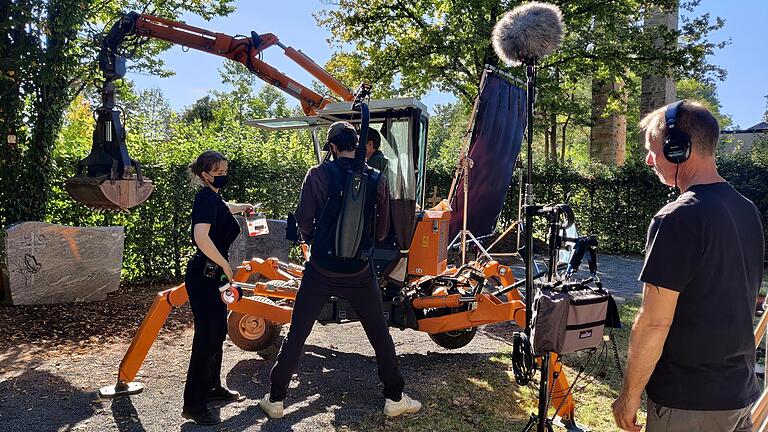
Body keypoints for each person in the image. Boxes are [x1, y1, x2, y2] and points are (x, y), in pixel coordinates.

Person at [612, 101, 764, 432]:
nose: (649, 160)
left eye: (654, 149)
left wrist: (629, 395)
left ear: (679, 148)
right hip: (739, 396)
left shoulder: (677, 218)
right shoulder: (747, 210)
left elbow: (653, 322)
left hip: (688, 404)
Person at [258, 121, 421, 419]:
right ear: (358, 147)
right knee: (379, 333)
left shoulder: (318, 174)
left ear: (331, 147)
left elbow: (304, 222)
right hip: (360, 272)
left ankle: (277, 399)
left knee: (297, 332)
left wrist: (316, 239)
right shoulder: (376, 178)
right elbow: (383, 231)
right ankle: (395, 398)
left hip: (320, 269)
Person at [182, 150, 254, 425]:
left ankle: (213, 388)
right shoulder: (204, 198)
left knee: (219, 331)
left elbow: (224, 208)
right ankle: (193, 403)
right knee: (207, 335)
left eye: (225, 172)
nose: (223, 176)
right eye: (218, 173)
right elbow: (200, 236)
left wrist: (243, 207)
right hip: (205, 274)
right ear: (204, 175)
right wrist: (224, 264)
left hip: (215, 275)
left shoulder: (213, 198)